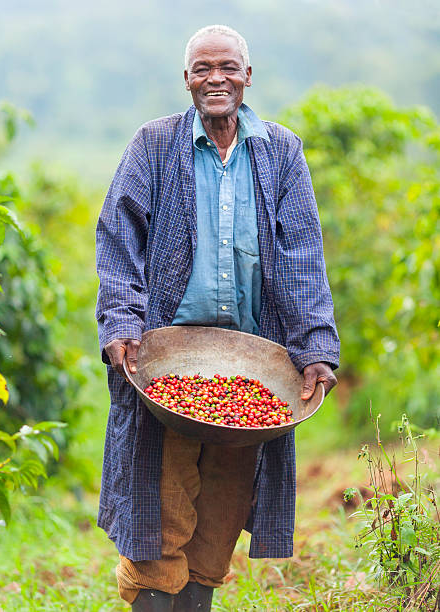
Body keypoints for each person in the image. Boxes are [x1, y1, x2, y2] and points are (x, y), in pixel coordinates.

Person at [96, 24, 339, 612]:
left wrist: (315, 348)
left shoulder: (281, 152)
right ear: (187, 80)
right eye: (203, 69)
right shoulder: (153, 146)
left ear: (247, 76)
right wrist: (123, 324)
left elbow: (303, 255)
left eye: (227, 67)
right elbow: (118, 239)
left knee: (224, 511)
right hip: (165, 364)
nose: (216, 79)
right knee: (159, 508)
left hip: (251, 365)